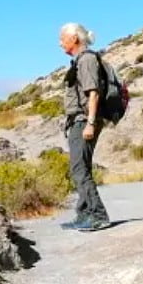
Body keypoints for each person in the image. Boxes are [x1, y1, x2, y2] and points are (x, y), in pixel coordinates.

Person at [59, 22, 111, 231]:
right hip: (79, 121)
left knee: (79, 169)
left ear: (74, 39)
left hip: (84, 121)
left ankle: (98, 215)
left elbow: (93, 93)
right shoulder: (80, 60)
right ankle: (84, 214)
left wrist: (90, 123)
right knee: (80, 168)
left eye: (62, 38)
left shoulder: (87, 60)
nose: (60, 43)